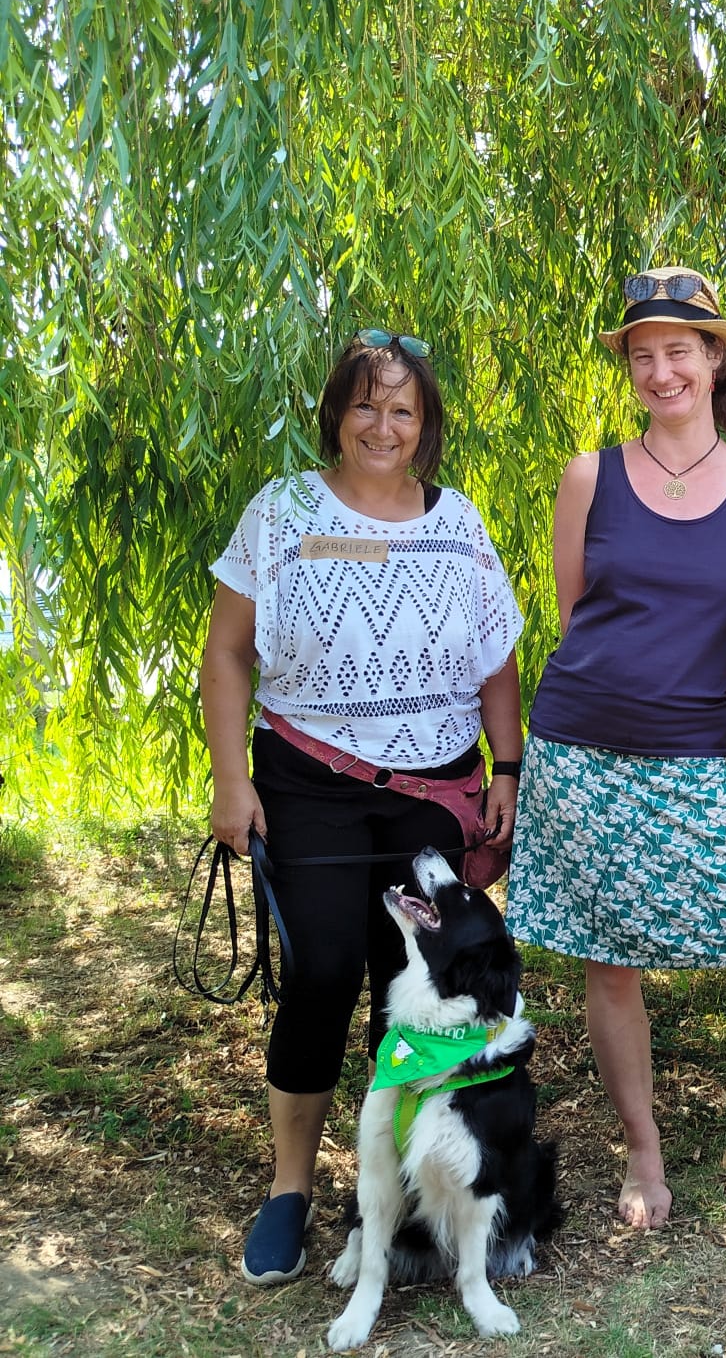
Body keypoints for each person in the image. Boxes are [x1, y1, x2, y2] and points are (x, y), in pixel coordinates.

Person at [504, 266, 726, 1229]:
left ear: (714, 358)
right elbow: (578, 617)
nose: (662, 371)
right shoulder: (591, 475)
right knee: (610, 963)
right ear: (629, 367)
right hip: (579, 751)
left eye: (680, 351)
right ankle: (643, 1154)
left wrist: (711, 711)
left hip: (689, 758)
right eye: (643, 354)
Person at [200, 328, 525, 1284]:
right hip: (308, 781)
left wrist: (504, 773)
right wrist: (231, 777)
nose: (382, 426)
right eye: (365, 405)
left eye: (403, 410)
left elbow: (497, 659)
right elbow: (227, 653)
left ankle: (395, 1190)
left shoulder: (459, 523)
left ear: (425, 428)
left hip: (432, 784)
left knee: (416, 994)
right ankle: (290, 1189)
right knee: (325, 972)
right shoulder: (281, 511)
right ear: (337, 413)